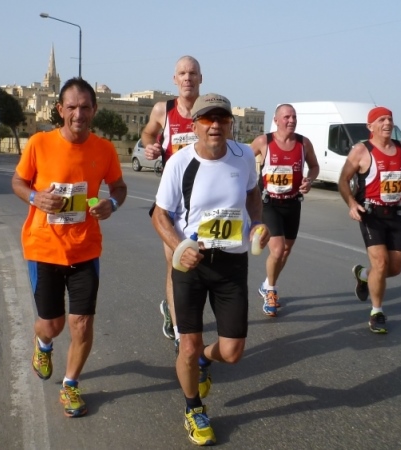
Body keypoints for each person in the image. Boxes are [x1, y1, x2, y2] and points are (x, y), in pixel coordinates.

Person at [151, 93, 269, 446]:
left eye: (222, 119)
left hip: (231, 264)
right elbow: (160, 216)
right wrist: (179, 247)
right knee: (188, 346)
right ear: (195, 125)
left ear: (230, 123)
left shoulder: (243, 155)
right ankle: (194, 408)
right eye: (207, 119)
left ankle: (203, 360)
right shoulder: (180, 163)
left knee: (232, 352)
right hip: (192, 262)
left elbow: (253, 195)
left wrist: (256, 224)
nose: (215, 125)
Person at [11, 77, 127, 417]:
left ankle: (71, 384)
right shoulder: (39, 143)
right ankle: (43, 343)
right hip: (44, 248)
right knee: (53, 325)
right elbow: (18, 181)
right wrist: (35, 197)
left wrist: (112, 204)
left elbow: (118, 187)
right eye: (72, 107)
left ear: (94, 110)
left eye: (85, 107)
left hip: (85, 249)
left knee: (82, 323)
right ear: (60, 110)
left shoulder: (104, 150)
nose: (79, 114)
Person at [338, 106, 401, 333]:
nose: (387, 123)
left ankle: (363, 275)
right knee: (381, 264)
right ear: (370, 126)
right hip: (371, 214)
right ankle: (377, 312)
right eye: (382, 120)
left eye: (390, 119)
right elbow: (343, 180)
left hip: (394, 214)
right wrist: (352, 203)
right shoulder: (361, 150)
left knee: (395, 268)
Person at [142, 56, 202, 351]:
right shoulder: (162, 110)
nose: (187, 77)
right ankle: (180, 333)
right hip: (174, 202)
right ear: (174, 79)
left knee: (201, 266)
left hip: (204, 202)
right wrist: (150, 146)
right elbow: (147, 132)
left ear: (200, 78)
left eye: (192, 73)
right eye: (182, 73)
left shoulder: (209, 110)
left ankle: (179, 309)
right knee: (175, 262)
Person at [250, 104, 320, 317]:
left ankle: (267, 284)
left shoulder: (303, 143)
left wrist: (309, 180)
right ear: (276, 120)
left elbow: (314, 166)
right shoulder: (264, 141)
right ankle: (271, 291)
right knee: (278, 250)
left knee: (286, 250)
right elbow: (242, 160)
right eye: (287, 117)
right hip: (269, 203)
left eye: (294, 117)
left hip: (292, 203)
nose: (291, 120)